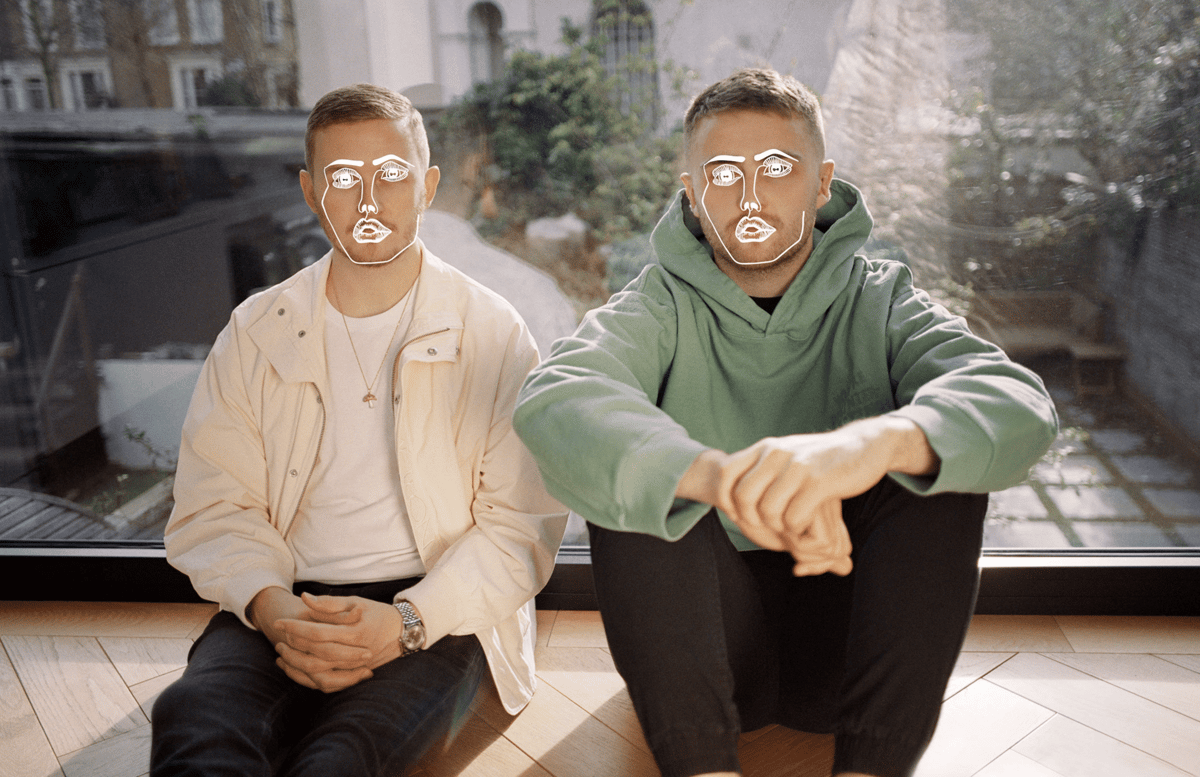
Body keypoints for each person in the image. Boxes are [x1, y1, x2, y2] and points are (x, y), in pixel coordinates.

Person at [512, 68, 1058, 777]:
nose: (749, 196)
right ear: (691, 192)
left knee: (937, 460)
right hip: (701, 653)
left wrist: (867, 444)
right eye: (722, 173)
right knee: (637, 479)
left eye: (776, 169)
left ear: (821, 183)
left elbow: (1015, 401)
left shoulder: (883, 300)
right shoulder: (656, 306)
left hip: (851, 653)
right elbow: (557, 395)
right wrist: (722, 477)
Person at [150, 83, 567, 777]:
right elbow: (214, 504)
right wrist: (274, 607)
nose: (369, 202)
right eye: (344, 179)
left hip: (440, 609)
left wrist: (405, 621)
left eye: (391, 176)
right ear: (312, 193)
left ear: (428, 186)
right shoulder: (257, 330)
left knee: (346, 759)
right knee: (195, 725)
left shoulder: (492, 331)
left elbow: (521, 530)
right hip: (285, 595)